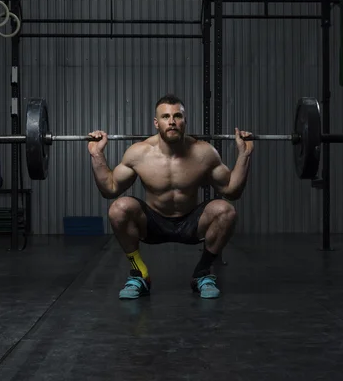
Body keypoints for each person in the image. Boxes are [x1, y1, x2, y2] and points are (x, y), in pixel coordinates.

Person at [88, 94, 254, 300]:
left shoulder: (204, 153)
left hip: (191, 223)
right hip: (153, 224)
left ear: (185, 121)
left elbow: (232, 190)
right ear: (156, 123)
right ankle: (139, 273)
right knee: (118, 208)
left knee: (226, 211)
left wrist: (244, 155)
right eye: (166, 117)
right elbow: (110, 189)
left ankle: (202, 273)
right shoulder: (139, 154)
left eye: (178, 116)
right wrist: (97, 154)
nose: (172, 121)